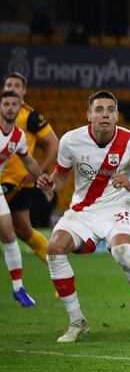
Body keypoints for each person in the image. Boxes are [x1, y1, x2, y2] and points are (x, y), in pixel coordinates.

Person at [35, 91, 130, 343]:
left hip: (117, 208)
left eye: (110, 110)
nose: (105, 114)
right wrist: (50, 184)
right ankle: (77, 320)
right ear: (88, 115)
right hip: (83, 210)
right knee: (54, 249)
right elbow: (62, 177)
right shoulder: (70, 141)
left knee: (122, 250)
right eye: (99, 109)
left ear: (117, 116)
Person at [1, 73, 59, 267]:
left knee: (23, 230)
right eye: (9, 84)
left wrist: (39, 172)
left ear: (24, 91)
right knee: (23, 231)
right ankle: (58, 268)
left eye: (17, 85)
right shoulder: (3, 112)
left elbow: (53, 143)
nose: (13, 88)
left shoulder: (30, 117)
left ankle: (58, 269)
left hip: (16, 182)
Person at [0, 90, 47, 307]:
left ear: (20, 108)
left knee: (9, 235)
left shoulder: (18, 136)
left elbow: (29, 162)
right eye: (5, 104)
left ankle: (18, 288)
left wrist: (43, 181)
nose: (9, 107)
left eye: (13, 104)